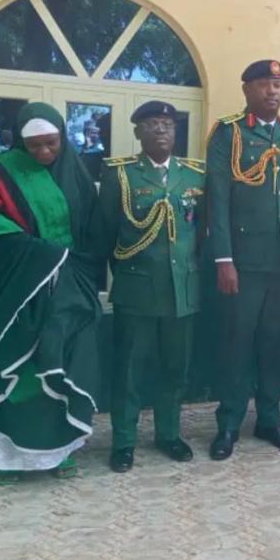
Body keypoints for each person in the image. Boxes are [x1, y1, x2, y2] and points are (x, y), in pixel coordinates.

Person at [0, 102, 101, 482]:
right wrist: (43, 256)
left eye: (51, 143)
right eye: (34, 146)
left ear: (62, 136)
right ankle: (6, 459)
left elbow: (91, 230)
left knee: (60, 364)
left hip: (68, 291)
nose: (44, 153)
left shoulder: (74, 173)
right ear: (19, 142)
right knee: (20, 370)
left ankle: (60, 454)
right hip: (17, 292)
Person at [92, 101, 206, 473]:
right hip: (137, 291)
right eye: (153, 124)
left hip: (182, 291)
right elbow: (105, 237)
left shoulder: (192, 176)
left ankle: (168, 434)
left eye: (168, 124)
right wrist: (128, 275)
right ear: (138, 132)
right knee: (129, 369)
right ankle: (124, 441)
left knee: (176, 367)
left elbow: (200, 235)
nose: (162, 131)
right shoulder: (120, 176)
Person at [205, 59, 280, 460]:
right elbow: (217, 198)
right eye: (265, 84)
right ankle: (228, 423)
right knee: (237, 344)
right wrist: (224, 259)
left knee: (274, 344)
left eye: (278, 84)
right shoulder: (229, 134)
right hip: (243, 263)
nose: (273, 91)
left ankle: (269, 419)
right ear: (247, 89)